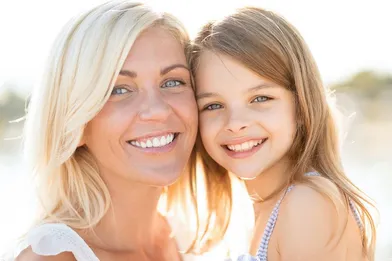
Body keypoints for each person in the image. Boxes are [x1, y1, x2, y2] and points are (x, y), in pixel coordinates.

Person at [14, 1, 232, 260]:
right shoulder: (54, 257)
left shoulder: (196, 240)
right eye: (119, 89)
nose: (157, 110)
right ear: (76, 124)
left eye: (172, 81)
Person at [191, 6, 376, 261]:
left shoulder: (307, 205)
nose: (235, 123)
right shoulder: (259, 210)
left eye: (260, 98)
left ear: (301, 105)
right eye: (213, 105)